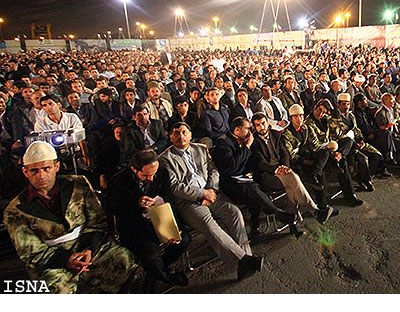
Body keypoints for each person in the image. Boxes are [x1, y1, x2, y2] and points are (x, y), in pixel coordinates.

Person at [3, 141, 137, 293]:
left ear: (57, 167)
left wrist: (88, 249)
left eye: (46, 168)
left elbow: (97, 221)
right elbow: (30, 250)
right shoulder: (15, 210)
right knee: (53, 289)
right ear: (25, 172)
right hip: (50, 258)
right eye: (34, 170)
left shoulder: (77, 184)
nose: (41, 175)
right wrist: (66, 259)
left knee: (123, 261)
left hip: (87, 244)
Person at [159, 122, 263, 280]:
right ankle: (244, 260)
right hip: (189, 201)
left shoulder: (200, 149)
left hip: (212, 193)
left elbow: (213, 170)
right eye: (176, 133)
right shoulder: (165, 159)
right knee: (209, 225)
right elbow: (175, 187)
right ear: (171, 137)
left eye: (184, 132)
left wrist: (212, 190)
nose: (181, 136)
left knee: (234, 213)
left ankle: (245, 260)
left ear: (190, 135)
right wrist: (202, 193)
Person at [107, 149, 190, 292]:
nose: (151, 178)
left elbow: (169, 198)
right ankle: (165, 276)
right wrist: (136, 203)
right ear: (134, 169)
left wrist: (160, 204)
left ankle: (156, 272)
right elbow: (112, 208)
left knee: (183, 240)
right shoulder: (118, 181)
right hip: (135, 225)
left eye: (153, 174)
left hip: (160, 216)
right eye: (146, 175)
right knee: (151, 257)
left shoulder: (162, 172)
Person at [212, 117, 297, 236]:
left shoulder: (245, 139)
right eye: (247, 128)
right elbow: (231, 167)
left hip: (246, 179)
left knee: (254, 189)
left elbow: (252, 162)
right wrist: (246, 147)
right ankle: (278, 214)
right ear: (237, 130)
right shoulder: (223, 142)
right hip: (231, 183)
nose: (250, 131)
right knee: (252, 189)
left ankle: (256, 228)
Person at [250, 112, 332, 227]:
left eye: (263, 123)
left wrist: (285, 167)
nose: (261, 127)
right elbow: (260, 163)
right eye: (258, 125)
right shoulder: (253, 141)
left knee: (291, 186)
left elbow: (285, 154)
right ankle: (314, 210)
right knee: (292, 178)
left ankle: (292, 221)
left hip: (283, 170)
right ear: (254, 127)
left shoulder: (276, 134)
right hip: (267, 175)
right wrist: (277, 169)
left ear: (268, 123)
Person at [304, 99, 363, 206]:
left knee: (348, 141)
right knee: (342, 163)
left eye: (324, 112)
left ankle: (339, 157)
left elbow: (339, 128)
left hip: (331, 149)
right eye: (319, 110)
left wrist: (334, 110)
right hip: (320, 153)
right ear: (314, 108)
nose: (321, 114)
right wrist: (331, 153)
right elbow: (315, 146)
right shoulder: (308, 123)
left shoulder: (325, 119)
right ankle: (348, 195)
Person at [331, 93, 383, 191]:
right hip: (345, 145)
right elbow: (336, 135)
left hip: (356, 142)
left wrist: (360, 140)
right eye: (343, 104)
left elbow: (356, 130)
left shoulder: (351, 116)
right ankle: (365, 181)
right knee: (363, 158)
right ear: (338, 104)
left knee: (376, 155)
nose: (346, 107)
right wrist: (355, 144)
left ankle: (364, 177)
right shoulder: (334, 117)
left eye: (348, 104)